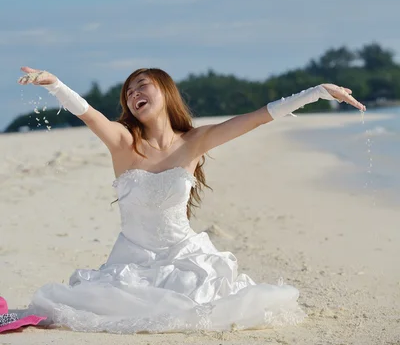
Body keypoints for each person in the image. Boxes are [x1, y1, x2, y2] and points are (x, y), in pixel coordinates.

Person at [12, 65, 365, 334]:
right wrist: (56, 85)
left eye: (141, 85)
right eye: (128, 92)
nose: (133, 93)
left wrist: (316, 92)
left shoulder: (195, 142)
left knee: (203, 298)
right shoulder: (123, 141)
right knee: (104, 303)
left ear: (165, 91)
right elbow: (87, 112)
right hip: (133, 261)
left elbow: (256, 118)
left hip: (186, 256)